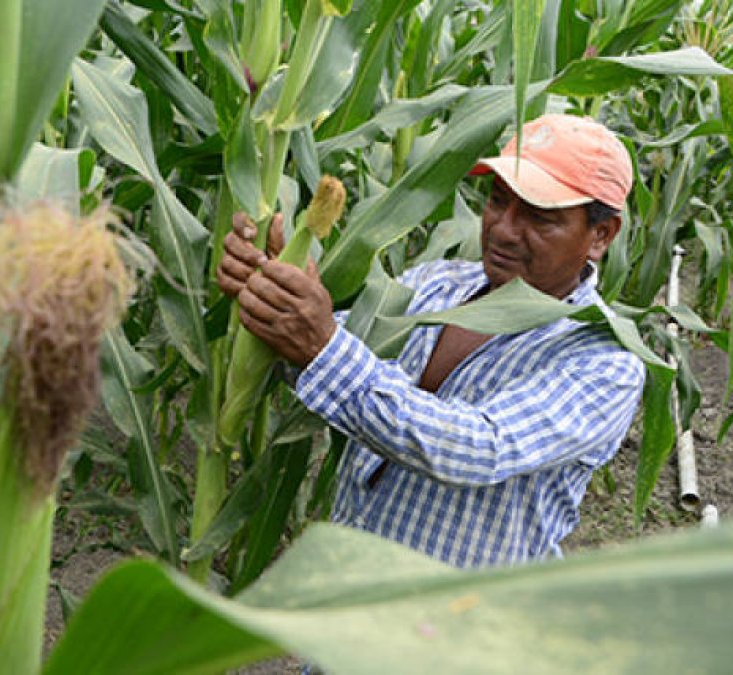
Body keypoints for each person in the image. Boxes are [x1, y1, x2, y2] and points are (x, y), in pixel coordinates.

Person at [215, 114, 646, 568]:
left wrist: (319, 343)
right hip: (345, 587)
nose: (502, 229)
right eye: (498, 202)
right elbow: (316, 356)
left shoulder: (605, 360)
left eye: (539, 218)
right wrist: (271, 296)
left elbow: (477, 449)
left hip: (451, 623)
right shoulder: (437, 285)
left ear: (601, 235)